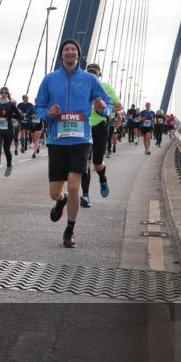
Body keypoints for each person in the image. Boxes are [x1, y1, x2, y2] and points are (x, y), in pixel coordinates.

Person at [35, 39, 112, 248]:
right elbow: (39, 107)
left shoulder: (90, 79)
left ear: (78, 55)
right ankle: (61, 200)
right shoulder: (50, 79)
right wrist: (48, 113)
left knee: (74, 186)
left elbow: (108, 105)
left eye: (73, 49)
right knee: (54, 192)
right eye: (66, 49)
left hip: (81, 140)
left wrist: (102, 108)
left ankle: (69, 229)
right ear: (61, 54)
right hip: (57, 141)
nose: (70, 52)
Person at [80, 63, 120, 207]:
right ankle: (85, 196)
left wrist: (103, 110)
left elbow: (118, 106)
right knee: (85, 163)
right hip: (83, 128)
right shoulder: (80, 87)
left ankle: (103, 179)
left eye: (94, 72)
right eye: (89, 72)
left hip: (100, 127)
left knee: (97, 164)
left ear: (100, 74)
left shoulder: (106, 88)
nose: (92, 74)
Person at [0, 87, 21, 179]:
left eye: (6, 93)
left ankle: (9, 166)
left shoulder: (11, 104)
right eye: (2, 92)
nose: (4, 94)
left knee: (6, 150)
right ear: (0, 93)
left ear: (8, 94)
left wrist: (10, 115)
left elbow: (19, 116)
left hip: (8, 130)